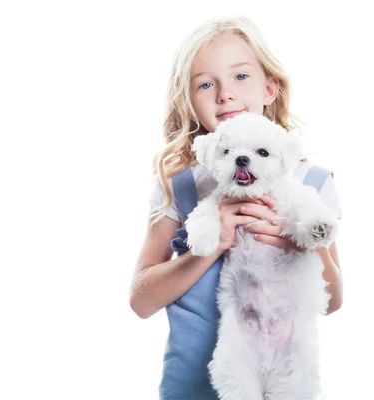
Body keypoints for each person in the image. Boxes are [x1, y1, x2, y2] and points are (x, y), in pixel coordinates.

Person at [129, 16, 343, 399]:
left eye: (241, 76)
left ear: (270, 89)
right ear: (191, 102)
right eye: (206, 84)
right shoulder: (180, 187)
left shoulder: (311, 183)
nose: (225, 94)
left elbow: (334, 299)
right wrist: (209, 246)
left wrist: (301, 244)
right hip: (189, 390)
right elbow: (140, 301)